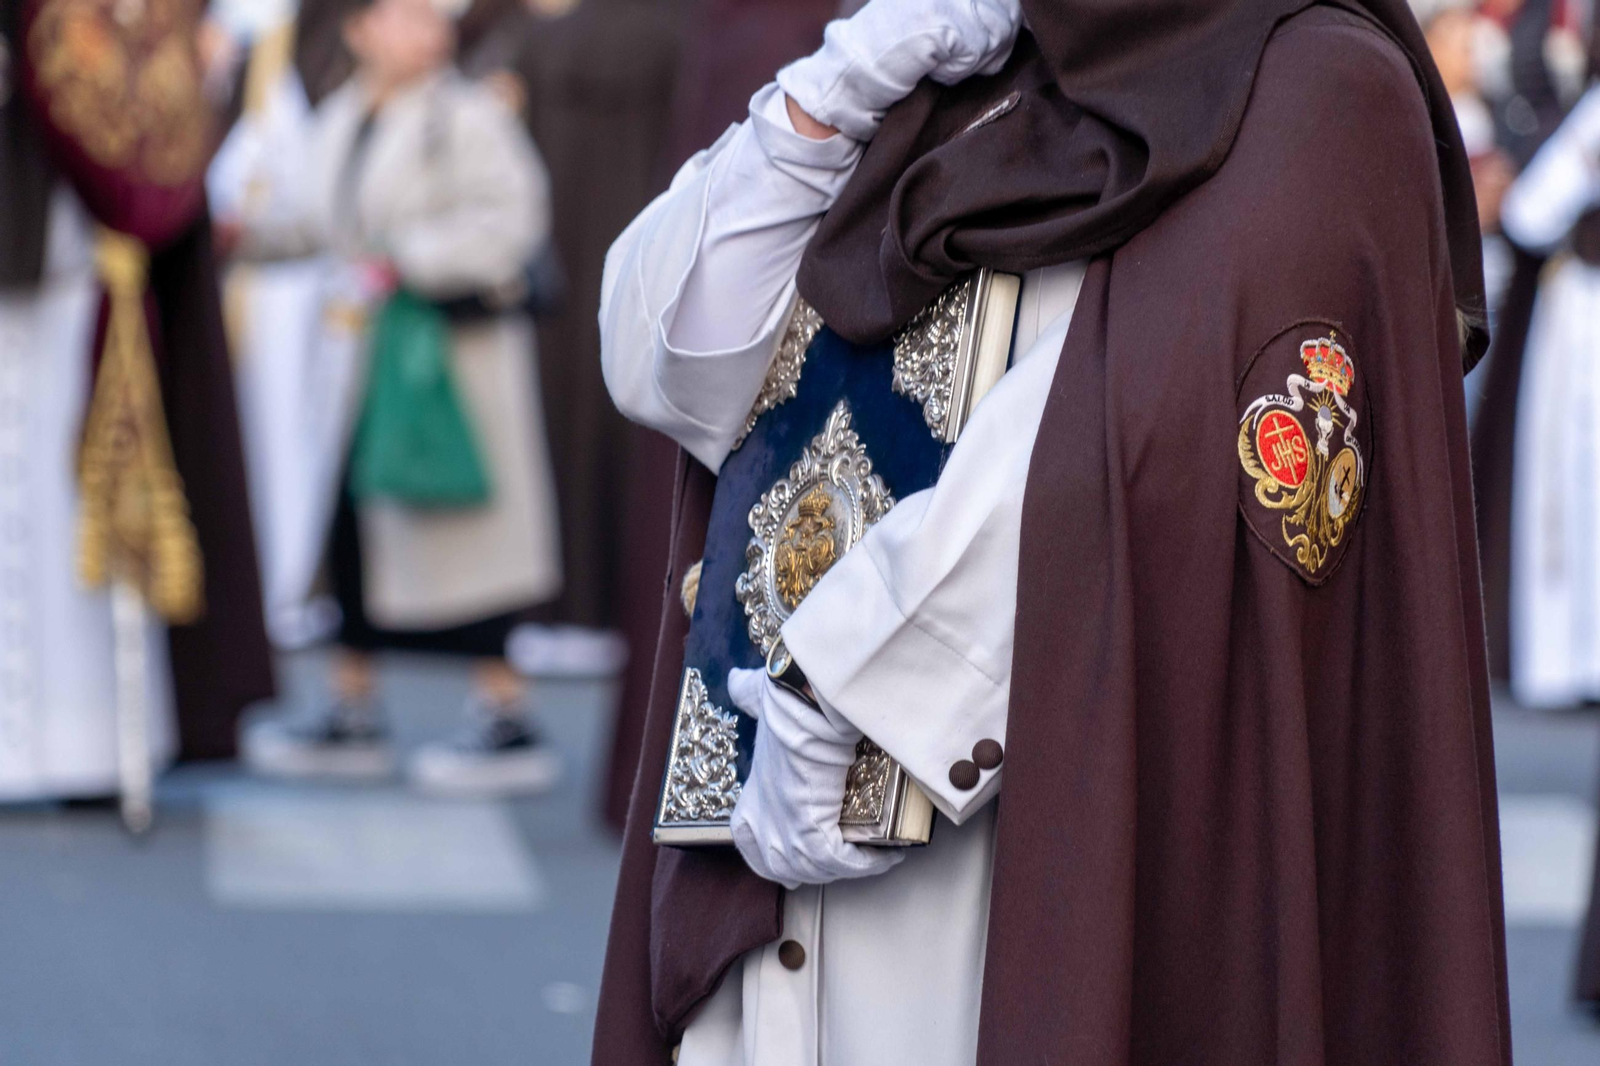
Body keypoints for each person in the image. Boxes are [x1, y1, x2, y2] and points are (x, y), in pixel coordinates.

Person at [592, 0, 1512, 1063]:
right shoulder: (956, 47)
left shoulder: (1313, 77)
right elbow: (667, 366)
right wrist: (828, 96)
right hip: (775, 845)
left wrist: (845, 687)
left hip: (1038, 837)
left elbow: (1136, 427)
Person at [237, 0, 564, 796]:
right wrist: (240, 236)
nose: (429, 30)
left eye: (430, 16)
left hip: (448, 362)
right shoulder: (342, 116)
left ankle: (505, 712)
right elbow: (315, 221)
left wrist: (403, 258)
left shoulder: (466, 116)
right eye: (408, 14)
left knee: (465, 530)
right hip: (368, 362)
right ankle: (352, 703)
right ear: (360, 29)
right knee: (356, 524)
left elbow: (513, 220)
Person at [0, 0, 275, 804]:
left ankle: (80, 739)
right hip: (54, 241)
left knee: (71, 493)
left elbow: (150, 99)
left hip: (73, 260)